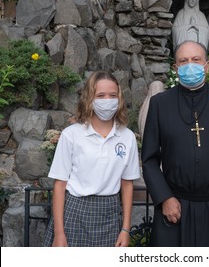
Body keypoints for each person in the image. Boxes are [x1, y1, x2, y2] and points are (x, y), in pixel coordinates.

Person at [141, 40, 209, 246]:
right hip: (174, 206)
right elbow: (149, 160)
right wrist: (164, 198)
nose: (190, 65)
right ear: (176, 68)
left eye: (196, 60)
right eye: (183, 61)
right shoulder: (160, 104)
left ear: (206, 66)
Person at [44, 71, 140, 247]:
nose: (107, 100)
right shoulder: (71, 135)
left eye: (112, 95)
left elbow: (127, 184)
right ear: (89, 98)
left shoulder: (127, 137)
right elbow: (60, 185)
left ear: (119, 99)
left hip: (109, 215)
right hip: (74, 213)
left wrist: (125, 230)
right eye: (100, 95)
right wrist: (59, 233)